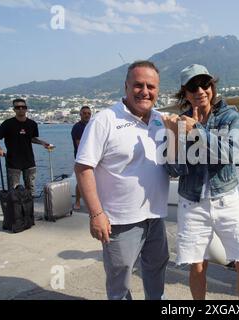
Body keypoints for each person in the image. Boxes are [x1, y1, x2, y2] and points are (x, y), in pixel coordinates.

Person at [74, 61, 170, 300]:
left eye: (151, 86)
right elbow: (83, 167)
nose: (145, 91)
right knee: (120, 282)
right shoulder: (105, 119)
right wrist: (96, 214)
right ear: (126, 86)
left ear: (158, 90)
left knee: (156, 272)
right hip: (119, 221)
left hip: (155, 216)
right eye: (138, 85)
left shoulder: (160, 120)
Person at [163, 64, 239, 300]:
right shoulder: (179, 122)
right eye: (193, 87)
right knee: (197, 267)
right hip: (191, 203)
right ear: (184, 92)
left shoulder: (229, 117)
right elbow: (174, 170)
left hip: (226, 199)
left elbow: (231, 153)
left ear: (212, 86)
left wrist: (198, 131)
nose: (200, 90)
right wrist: (174, 135)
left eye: (205, 84)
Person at [0, 98, 52, 196]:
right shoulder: (7, 124)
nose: (21, 109)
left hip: (29, 162)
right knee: (14, 191)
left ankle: (29, 210)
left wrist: (42, 143)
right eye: (18, 107)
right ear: (14, 109)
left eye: (23, 107)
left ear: (26, 109)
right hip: (13, 162)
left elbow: (31, 138)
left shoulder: (32, 124)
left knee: (30, 190)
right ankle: (15, 211)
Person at [71, 106, 92, 210]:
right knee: (81, 182)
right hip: (82, 158)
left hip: (94, 157)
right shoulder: (77, 127)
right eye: (84, 113)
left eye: (88, 113)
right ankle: (77, 201)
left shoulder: (92, 126)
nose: (87, 115)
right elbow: (80, 145)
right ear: (80, 114)